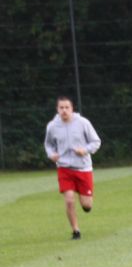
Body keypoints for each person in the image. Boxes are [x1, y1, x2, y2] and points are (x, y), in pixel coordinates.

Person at [44, 96, 101, 240]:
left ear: (72, 108)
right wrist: (51, 154)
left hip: (83, 168)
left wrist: (85, 150)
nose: (64, 110)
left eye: (66, 107)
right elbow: (48, 144)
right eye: (61, 108)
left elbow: (96, 141)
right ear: (57, 109)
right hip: (64, 168)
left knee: (87, 205)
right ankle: (76, 231)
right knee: (69, 200)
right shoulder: (52, 126)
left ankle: (85, 202)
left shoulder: (83, 123)